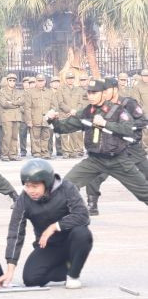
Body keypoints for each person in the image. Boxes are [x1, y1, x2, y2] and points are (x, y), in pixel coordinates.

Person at [48, 78, 148, 209]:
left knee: (144, 192)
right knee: (66, 185)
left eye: (94, 93)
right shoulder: (86, 112)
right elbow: (63, 128)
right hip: (95, 161)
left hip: (118, 160)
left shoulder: (118, 110)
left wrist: (106, 124)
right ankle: (73, 213)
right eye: (89, 93)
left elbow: (128, 130)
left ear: (103, 93)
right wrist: (53, 120)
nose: (90, 96)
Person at [1, 158, 93, 289]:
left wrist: (54, 226)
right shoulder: (23, 200)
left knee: (83, 233)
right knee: (31, 279)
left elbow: (83, 216)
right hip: (49, 245)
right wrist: (10, 269)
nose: (30, 190)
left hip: (71, 241)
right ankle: (67, 266)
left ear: (47, 183)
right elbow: (15, 233)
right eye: (27, 186)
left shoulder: (67, 188)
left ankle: (73, 275)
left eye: (35, 186)